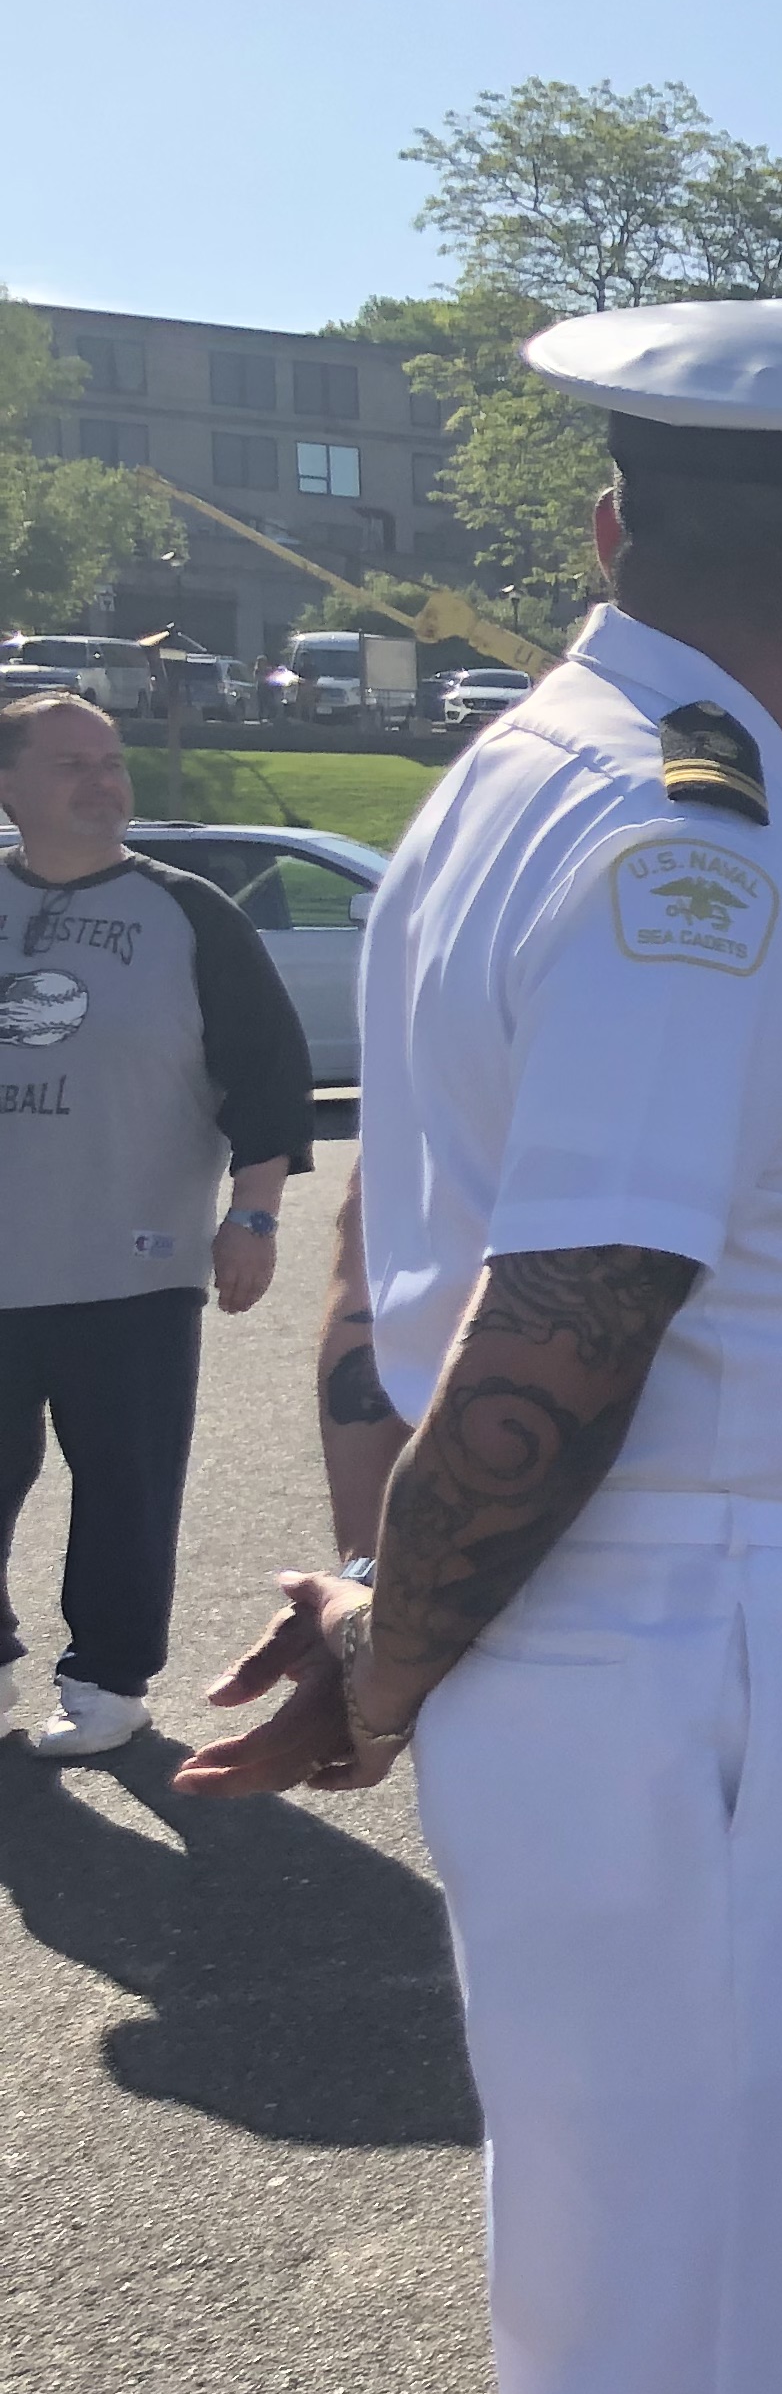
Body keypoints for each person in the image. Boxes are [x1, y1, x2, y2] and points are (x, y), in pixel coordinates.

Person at [177, 295, 782, 2394]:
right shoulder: (695, 847)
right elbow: (572, 1316)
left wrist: (375, 1588)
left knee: (728, 2255)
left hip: (632, 1635)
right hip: (694, 1645)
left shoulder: (525, 776)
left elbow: (384, 1241)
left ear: (615, 528)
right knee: (668, 2282)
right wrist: (398, 1656)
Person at [0, 687, 311, 1756]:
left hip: (127, 1268)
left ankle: (107, 1683)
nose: (103, 782)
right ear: (9, 786)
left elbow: (268, 1080)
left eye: (112, 760)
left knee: (125, 1488)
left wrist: (254, 1218)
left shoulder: (188, 914)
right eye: (70, 764)